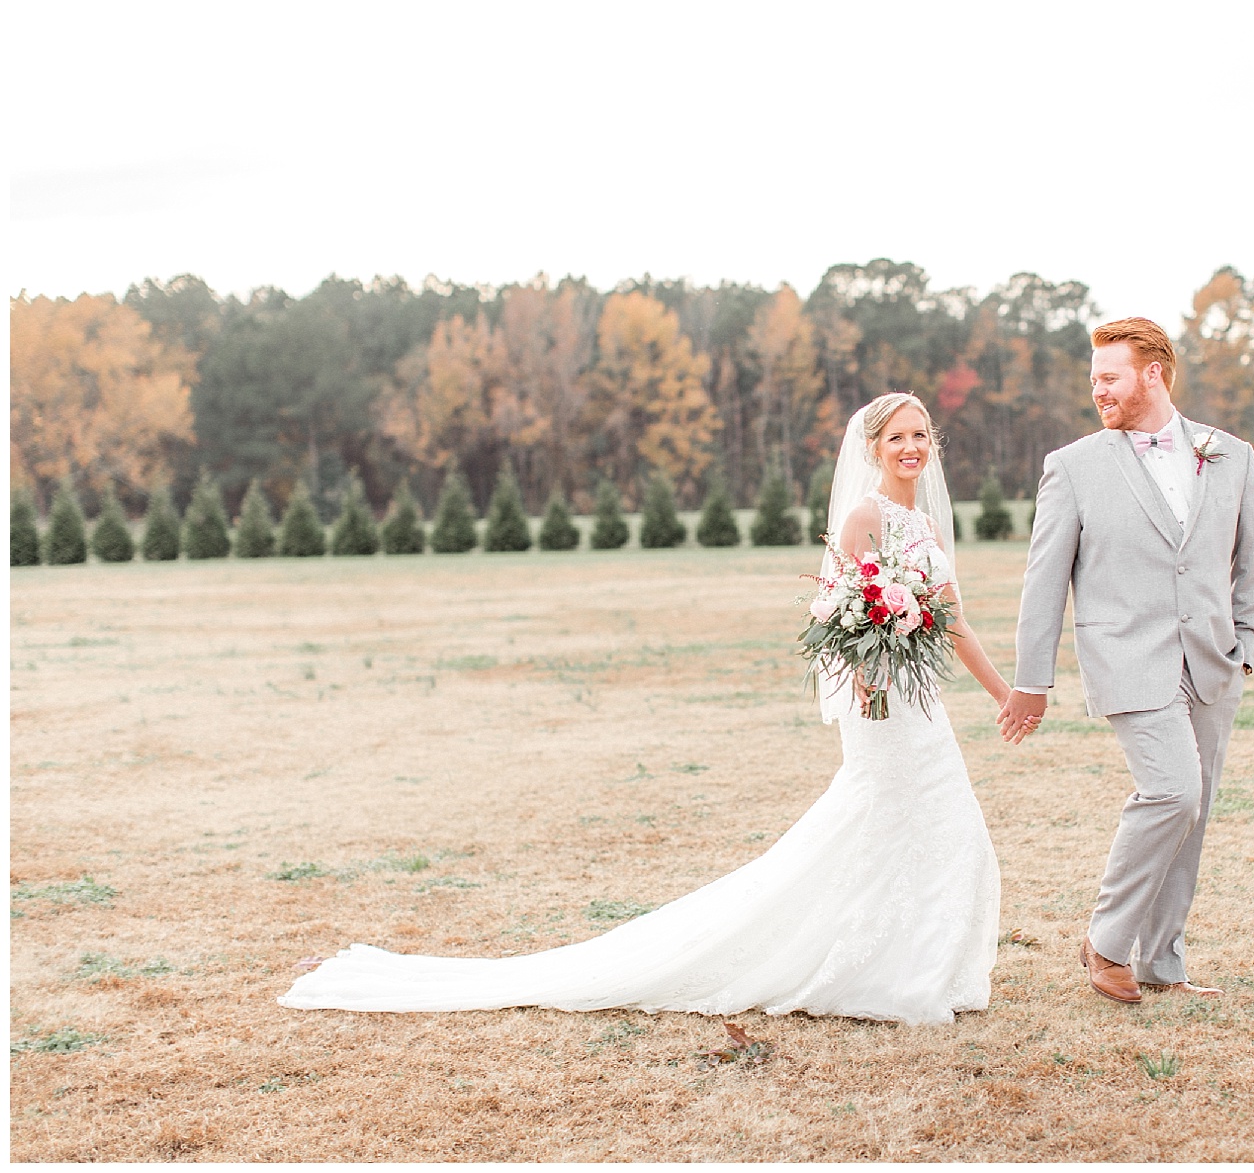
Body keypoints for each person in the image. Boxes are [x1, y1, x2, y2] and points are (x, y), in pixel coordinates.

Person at [281, 393, 1008, 1026]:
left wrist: (1009, 695)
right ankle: (869, 968)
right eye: (897, 438)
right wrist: (871, 681)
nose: (911, 448)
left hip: (921, 702)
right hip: (877, 705)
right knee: (882, 817)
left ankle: (919, 966)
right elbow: (841, 619)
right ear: (874, 448)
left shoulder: (929, 531)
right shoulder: (862, 519)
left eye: (920, 436)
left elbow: (957, 622)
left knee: (944, 820)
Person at [997, 317, 1254, 1003]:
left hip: (1212, 661)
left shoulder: (1230, 455)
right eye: (1093, 380)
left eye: (1110, 376)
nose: (1098, 390)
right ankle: (1107, 940)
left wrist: (1247, 646)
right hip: (1128, 659)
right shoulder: (1074, 467)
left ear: (1154, 373)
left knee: (1195, 808)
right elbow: (1043, 580)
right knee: (1173, 789)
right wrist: (1033, 680)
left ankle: (1164, 963)